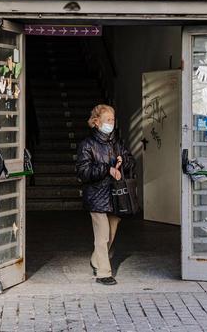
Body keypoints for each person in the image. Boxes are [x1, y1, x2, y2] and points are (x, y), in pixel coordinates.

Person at [76, 104, 135, 285]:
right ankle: (103, 273)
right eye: (108, 120)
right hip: (96, 196)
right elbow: (83, 172)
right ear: (96, 122)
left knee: (110, 235)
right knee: (102, 236)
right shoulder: (87, 145)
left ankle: (96, 260)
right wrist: (106, 169)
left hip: (116, 196)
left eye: (113, 119)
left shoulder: (117, 143)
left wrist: (122, 161)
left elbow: (131, 162)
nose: (112, 123)